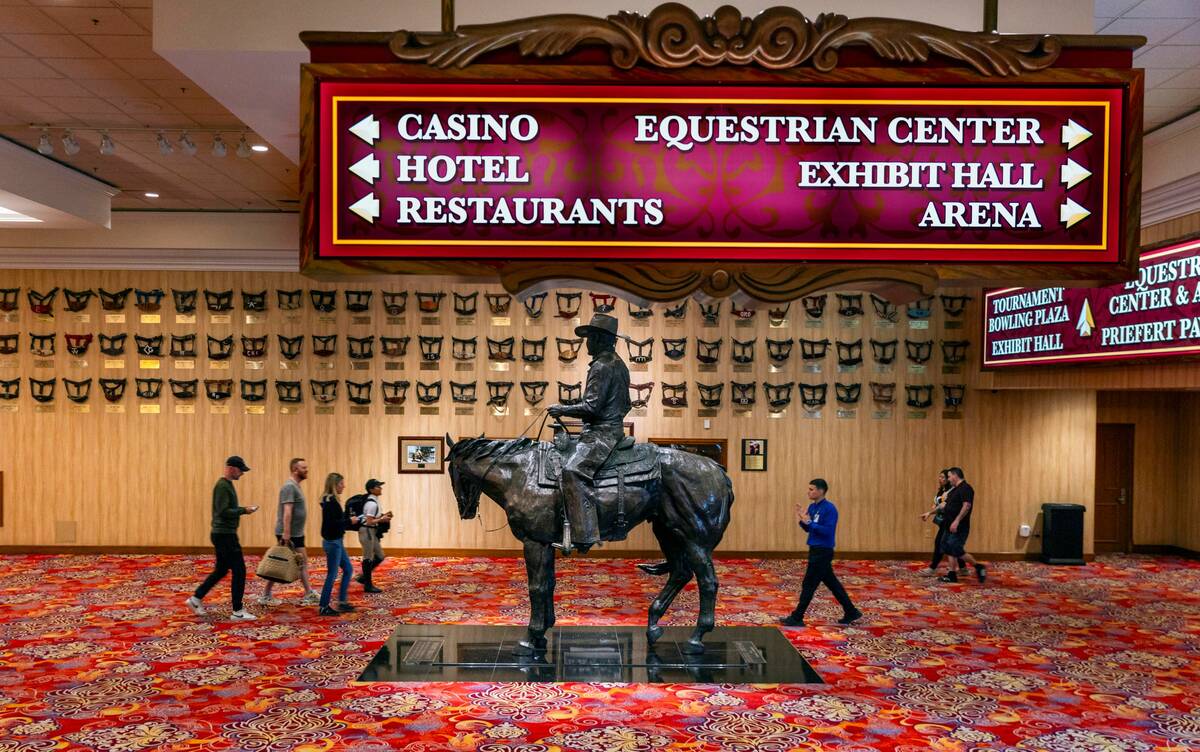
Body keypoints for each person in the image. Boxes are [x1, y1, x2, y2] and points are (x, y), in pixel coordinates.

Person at [547, 312, 631, 553]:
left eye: (590, 338)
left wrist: (561, 409)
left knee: (572, 470)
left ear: (601, 340)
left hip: (602, 434)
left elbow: (591, 407)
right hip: (610, 429)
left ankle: (584, 534)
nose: (586, 343)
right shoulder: (618, 364)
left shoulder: (603, 366)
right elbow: (626, 405)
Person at [780, 478, 862, 627]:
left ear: (821, 491)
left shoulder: (830, 509)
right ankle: (851, 611)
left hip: (823, 551)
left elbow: (827, 531)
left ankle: (797, 617)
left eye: (811, 489)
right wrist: (803, 520)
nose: (808, 492)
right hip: (814, 549)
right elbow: (809, 529)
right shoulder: (812, 507)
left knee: (809, 584)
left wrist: (810, 523)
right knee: (832, 584)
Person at [187, 456, 259, 620]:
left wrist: (242, 510)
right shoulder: (222, 486)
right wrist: (244, 510)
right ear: (232, 468)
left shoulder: (227, 485)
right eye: (241, 470)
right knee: (239, 570)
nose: (242, 473)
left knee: (221, 570)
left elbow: (226, 508)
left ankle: (196, 599)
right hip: (225, 535)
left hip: (223, 534)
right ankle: (238, 611)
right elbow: (223, 511)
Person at [259, 458, 318, 606]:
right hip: (290, 534)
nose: (307, 470)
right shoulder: (289, 487)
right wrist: (286, 533)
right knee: (298, 562)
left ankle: (266, 594)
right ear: (295, 470)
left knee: (284, 561)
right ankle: (308, 593)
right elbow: (287, 511)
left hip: (296, 533)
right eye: (303, 468)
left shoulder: (295, 486)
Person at [936, 467, 987, 584]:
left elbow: (967, 505)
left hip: (959, 527)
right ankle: (952, 575)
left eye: (949, 477)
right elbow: (945, 506)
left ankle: (978, 566)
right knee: (948, 547)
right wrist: (930, 513)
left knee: (955, 549)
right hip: (948, 525)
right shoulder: (954, 490)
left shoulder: (966, 488)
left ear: (955, 475)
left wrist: (957, 521)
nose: (948, 479)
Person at [318, 472, 355, 616]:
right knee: (332, 574)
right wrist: (349, 521)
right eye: (341, 484)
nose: (343, 486)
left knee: (348, 569)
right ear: (334, 485)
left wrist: (348, 519)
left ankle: (342, 602)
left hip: (336, 541)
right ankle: (323, 606)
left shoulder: (331, 501)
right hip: (333, 542)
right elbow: (333, 524)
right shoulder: (330, 502)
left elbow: (336, 521)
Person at [918, 469, 966, 577]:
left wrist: (930, 513)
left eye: (944, 477)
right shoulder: (942, 490)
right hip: (943, 521)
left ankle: (933, 568)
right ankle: (963, 568)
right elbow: (939, 504)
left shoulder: (951, 491)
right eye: (940, 477)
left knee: (939, 543)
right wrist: (934, 507)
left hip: (949, 521)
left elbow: (944, 505)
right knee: (952, 545)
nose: (941, 479)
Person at [356, 478, 392, 593]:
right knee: (368, 558)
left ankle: (363, 577)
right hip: (367, 531)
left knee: (380, 556)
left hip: (371, 531)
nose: (380, 488)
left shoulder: (374, 501)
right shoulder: (371, 503)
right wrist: (382, 519)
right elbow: (369, 521)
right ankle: (368, 585)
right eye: (378, 486)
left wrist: (383, 516)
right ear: (371, 489)